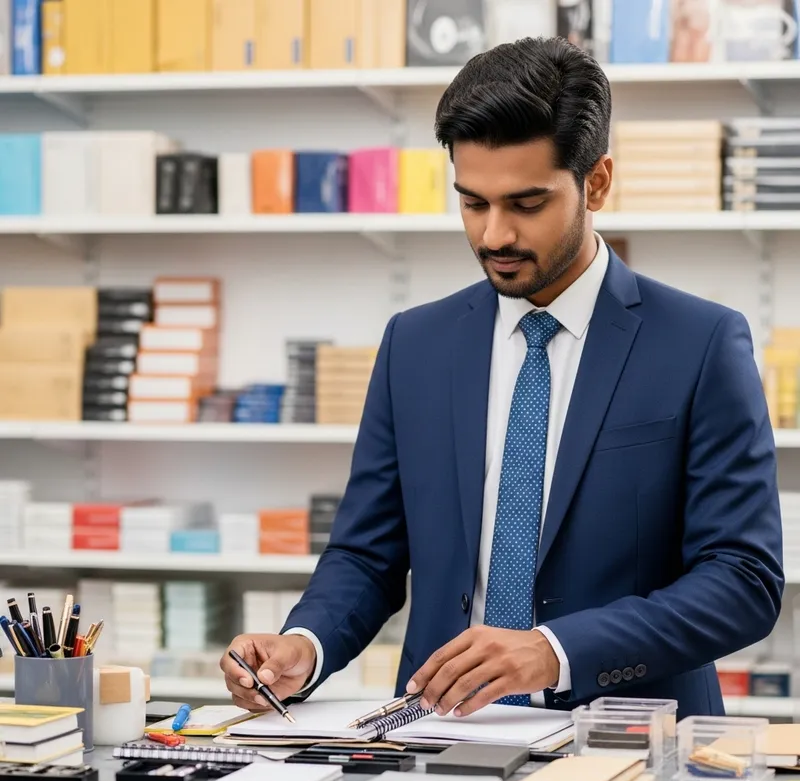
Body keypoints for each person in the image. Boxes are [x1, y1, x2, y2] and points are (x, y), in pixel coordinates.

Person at [221, 36, 784, 720]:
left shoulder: (699, 344)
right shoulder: (415, 345)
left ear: (597, 182)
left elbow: (743, 580)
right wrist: (304, 646)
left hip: (631, 745)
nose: (493, 236)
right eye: (473, 203)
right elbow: (367, 554)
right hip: (437, 742)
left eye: (525, 204)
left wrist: (555, 650)